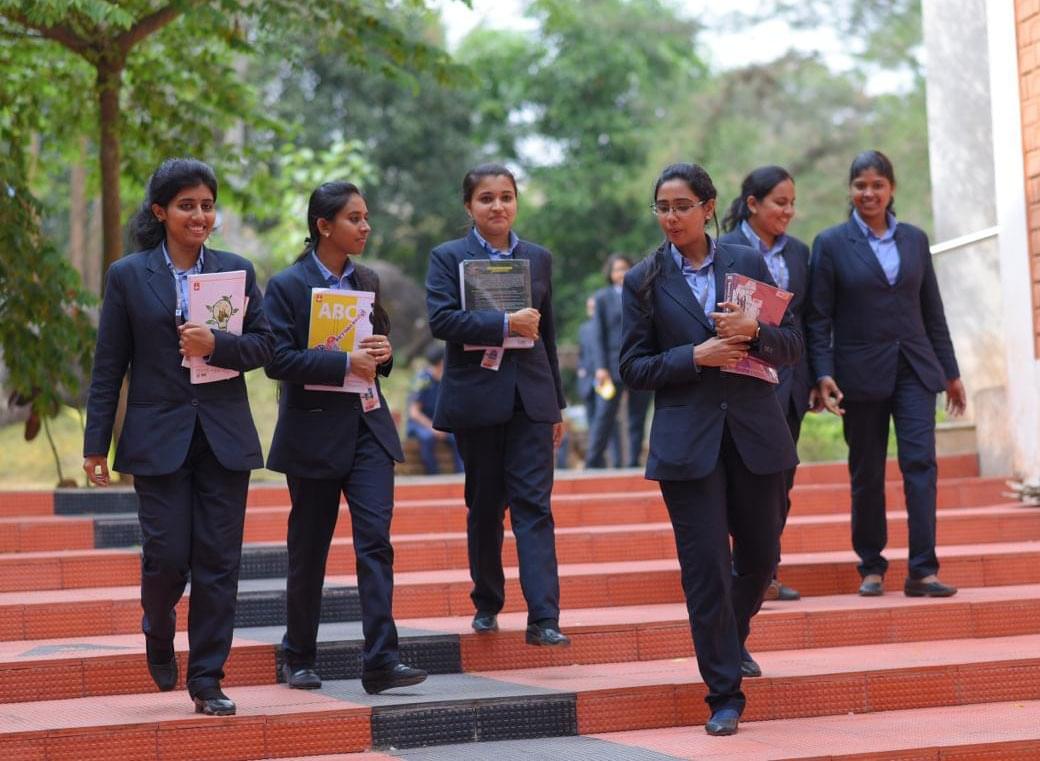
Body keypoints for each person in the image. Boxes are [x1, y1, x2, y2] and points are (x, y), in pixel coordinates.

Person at [82, 158, 274, 716]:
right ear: (161, 211)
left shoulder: (237, 271)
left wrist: (218, 345)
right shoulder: (127, 275)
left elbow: (265, 347)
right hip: (157, 436)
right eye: (187, 205)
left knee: (219, 561)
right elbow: (108, 366)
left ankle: (208, 679)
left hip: (223, 437)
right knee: (167, 557)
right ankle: (157, 623)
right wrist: (97, 444)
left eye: (207, 205)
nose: (199, 215)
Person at [620, 162, 802, 736]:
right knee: (704, 572)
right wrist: (693, 357)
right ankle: (724, 693)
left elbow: (790, 345)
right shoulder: (643, 280)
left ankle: (730, 635)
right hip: (686, 442)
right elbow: (632, 367)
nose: (671, 218)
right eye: (662, 208)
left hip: (754, 432)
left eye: (681, 206)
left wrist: (753, 334)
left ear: (707, 207)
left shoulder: (746, 263)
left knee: (762, 557)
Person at [264, 181, 427, 694]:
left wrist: (381, 354)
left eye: (365, 217)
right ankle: (299, 656)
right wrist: (342, 362)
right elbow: (277, 361)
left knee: (375, 542)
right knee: (309, 549)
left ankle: (381, 659)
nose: (365, 226)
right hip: (312, 433)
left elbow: (378, 360)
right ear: (323, 225)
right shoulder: (286, 286)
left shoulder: (368, 279)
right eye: (354, 218)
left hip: (367, 429)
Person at [807, 149, 966, 599]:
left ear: (891, 189)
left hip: (916, 369)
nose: (869, 193)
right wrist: (822, 373)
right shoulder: (832, 243)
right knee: (867, 470)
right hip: (859, 372)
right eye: (861, 185)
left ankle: (922, 570)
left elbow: (932, 311)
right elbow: (819, 318)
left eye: (878, 185)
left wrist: (951, 373)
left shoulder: (914, 239)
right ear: (850, 191)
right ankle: (872, 565)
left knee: (921, 464)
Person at [425, 163, 570, 647]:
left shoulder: (539, 258)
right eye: (486, 198)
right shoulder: (448, 258)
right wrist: (505, 325)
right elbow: (442, 321)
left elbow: (546, 335)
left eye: (506, 196)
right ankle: (487, 599)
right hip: (477, 400)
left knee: (534, 504)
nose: (498, 206)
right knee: (485, 505)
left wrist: (557, 406)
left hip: (530, 398)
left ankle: (544, 617)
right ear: (469, 207)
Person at [720, 166, 812, 602]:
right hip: (741, 383)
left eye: (792, 202)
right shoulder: (723, 249)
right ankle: (739, 569)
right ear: (753, 203)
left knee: (781, 480)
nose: (789, 211)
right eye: (780, 202)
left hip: (789, 383)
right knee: (742, 480)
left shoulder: (798, 253)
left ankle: (764, 569)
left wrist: (815, 378)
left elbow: (807, 323)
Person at [585, 254, 653, 468]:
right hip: (611, 368)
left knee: (637, 416)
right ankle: (593, 461)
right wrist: (600, 367)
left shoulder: (644, 296)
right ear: (610, 273)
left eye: (625, 269)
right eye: (617, 269)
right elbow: (597, 336)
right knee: (604, 416)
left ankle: (633, 462)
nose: (621, 274)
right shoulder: (602, 298)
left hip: (641, 363)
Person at [577, 295, 621, 467]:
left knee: (607, 419)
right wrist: (582, 371)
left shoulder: (609, 329)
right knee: (594, 421)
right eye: (590, 308)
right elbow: (583, 353)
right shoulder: (584, 329)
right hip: (588, 382)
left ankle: (609, 460)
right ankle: (599, 461)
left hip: (607, 378)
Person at [406, 343, 464, 474]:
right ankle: (433, 475)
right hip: (421, 424)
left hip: (439, 422)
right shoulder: (422, 379)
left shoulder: (447, 378)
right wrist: (432, 427)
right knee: (427, 438)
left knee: (459, 437)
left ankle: (461, 475)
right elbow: (414, 413)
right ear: (441, 361)